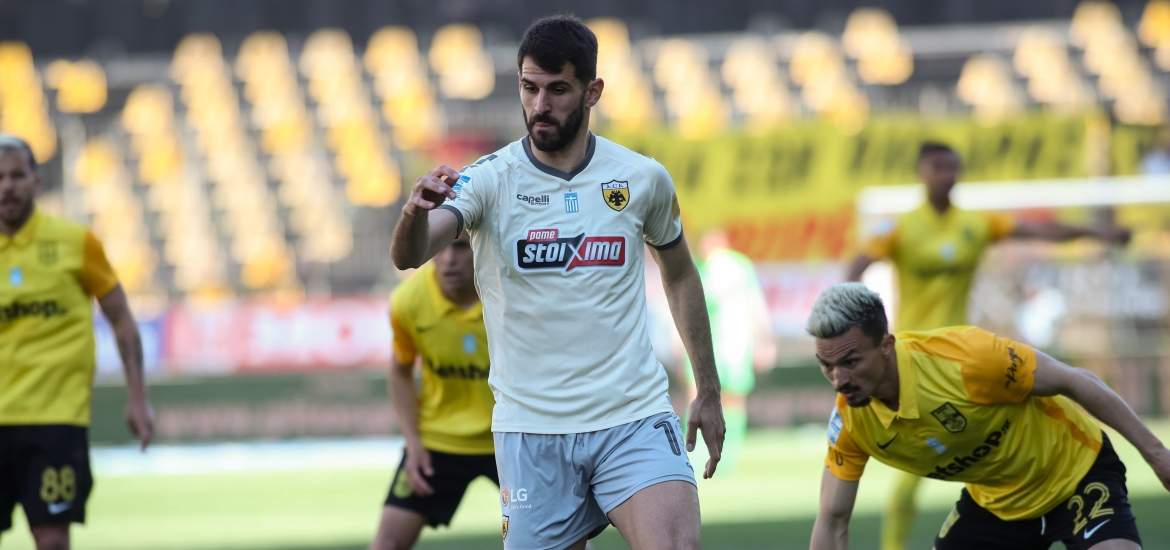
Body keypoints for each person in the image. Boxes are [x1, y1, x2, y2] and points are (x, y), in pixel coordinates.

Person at [390, 15, 724, 550]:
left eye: (558, 89)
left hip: (633, 416)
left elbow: (681, 274)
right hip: (532, 432)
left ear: (592, 91)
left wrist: (707, 386)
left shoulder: (641, 178)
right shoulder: (489, 180)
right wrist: (412, 213)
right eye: (530, 88)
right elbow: (410, 255)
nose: (540, 105)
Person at [844, 141, 1131, 550]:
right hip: (910, 365)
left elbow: (1039, 231)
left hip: (960, 360)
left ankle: (1053, 496)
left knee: (1009, 435)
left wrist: (1097, 233)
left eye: (952, 167)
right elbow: (857, 264)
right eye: (937, 167)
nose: (946, 175)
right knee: (908, 480)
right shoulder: (900, 228)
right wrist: (853, 321)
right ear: (921, 172)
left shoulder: (975, 224)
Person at [806, 283, 1170, 550]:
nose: (839, 379)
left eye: (851, 362)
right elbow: (832, 520)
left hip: (1074, 471)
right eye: (827, 365)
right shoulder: (851, 423)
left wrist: (1157, 455)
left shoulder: (968, 360)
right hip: (997, 503)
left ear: (886, 345)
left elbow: (1075, 380)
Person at [0, 133, 154, 550]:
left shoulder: (76, 243)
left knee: (52, 541)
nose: (6, 187)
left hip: (56, 420)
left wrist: (138, 398)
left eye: (16, 176)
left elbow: (122, 320)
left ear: (36, 181)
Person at [371, 234, 495, 550]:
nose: (449, 259)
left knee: (563, 539)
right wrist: (413, 443)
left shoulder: (511, 293)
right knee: (387, 543)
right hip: (438, 441)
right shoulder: (408, 301)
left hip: (511, 436)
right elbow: (400, 372)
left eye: (461, 247)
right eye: (440, 247)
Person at [682, 228, 775, 475]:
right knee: (731, 399)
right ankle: (724, 455)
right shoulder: (738, 267)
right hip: (735, 345)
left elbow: (688, 307)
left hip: (716, 344)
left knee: (702, 395)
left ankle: (697, 454)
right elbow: (757, 307)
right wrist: (764, 341)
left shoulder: (708, 267)